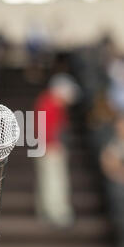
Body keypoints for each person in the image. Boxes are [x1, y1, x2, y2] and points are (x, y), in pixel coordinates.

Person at [34, 74, 79, 225]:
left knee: (50, 180)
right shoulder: (49, 103)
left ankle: (49, 211)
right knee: (54, 181)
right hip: (49, 148)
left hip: (48, 147)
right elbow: (43, 128)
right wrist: (50, 144)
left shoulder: (52, 104)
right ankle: (56, 213)